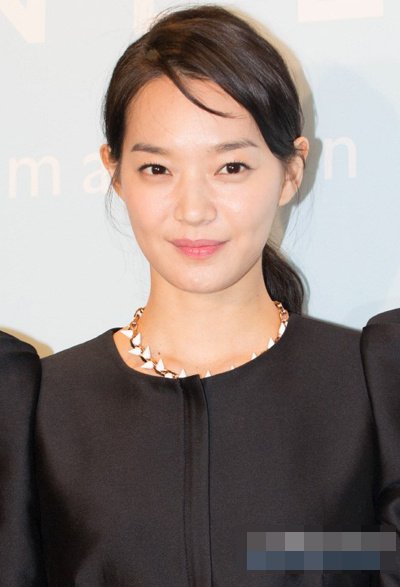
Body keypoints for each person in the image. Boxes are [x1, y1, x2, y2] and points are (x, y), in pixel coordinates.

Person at [1, 5, 398, 585]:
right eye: (157, 169)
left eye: (231, 167)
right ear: (115, 172)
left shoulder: (373, 391)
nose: (193, 210)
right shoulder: (37, 413)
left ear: (291, 171)